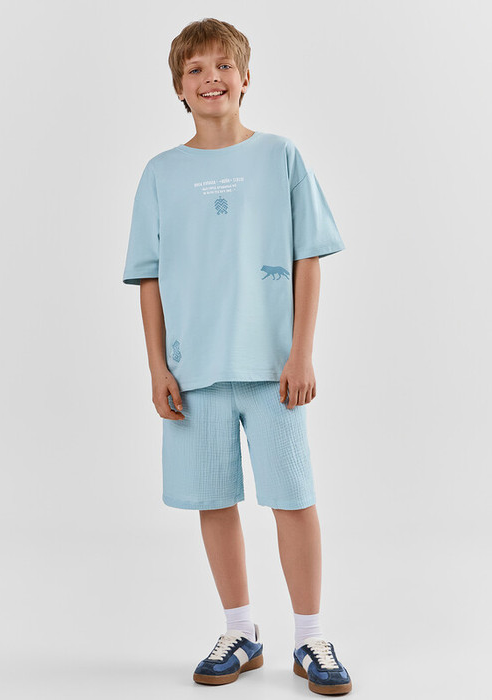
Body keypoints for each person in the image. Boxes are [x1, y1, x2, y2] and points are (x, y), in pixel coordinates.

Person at [122, 17, 352, 696]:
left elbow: (308, 257)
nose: (210, 78)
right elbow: (149, 278)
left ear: (245, 79)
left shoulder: (280, 156)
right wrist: (157, 367)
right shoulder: (160, 173)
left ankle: (310, 637)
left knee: (293, 496)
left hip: (273, 368)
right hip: (193, 372)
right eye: (194, 69)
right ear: (178, 88)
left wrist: (301, 353)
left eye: (223, 65)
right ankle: (240, 630)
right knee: (213, 499)